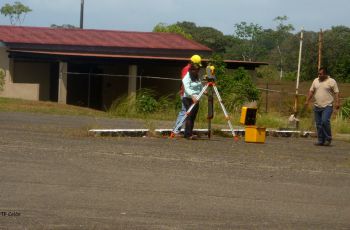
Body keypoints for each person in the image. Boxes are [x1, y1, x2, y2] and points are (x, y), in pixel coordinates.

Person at [305, 67, 340, 146]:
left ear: (325, 74)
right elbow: (311, 91)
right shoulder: (315, 80)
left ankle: (328, 138)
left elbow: (336, 92)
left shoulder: (332, 81)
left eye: (320, 74)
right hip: (317, 106)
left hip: (328, 105)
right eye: (318, 74)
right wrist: (307, 100)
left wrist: (337, 102)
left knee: (324, 121)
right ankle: (321, 140)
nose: (319, 75)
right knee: (318, 124)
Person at [171, 55, 202, 137]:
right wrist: (190, 94)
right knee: (185, 112)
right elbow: (186, 83)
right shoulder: (187, 69)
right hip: (186, 94)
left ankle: (183, 132)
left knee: (186, 112)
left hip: (190, 94)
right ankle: (176, 131)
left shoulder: (192, 69)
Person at [182, 63, 203, 140]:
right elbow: (187, 88)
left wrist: (203, 91)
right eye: (196, 70)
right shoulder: (186, 77)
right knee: (190, 116)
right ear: (192, 70)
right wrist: (192, 96)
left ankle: (190, 133)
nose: (198, 72)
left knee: (193, 116)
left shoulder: (196, 76)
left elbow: (200, 85)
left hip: (196, 99)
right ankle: (187, 135)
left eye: (198, 70)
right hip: (188, 98)